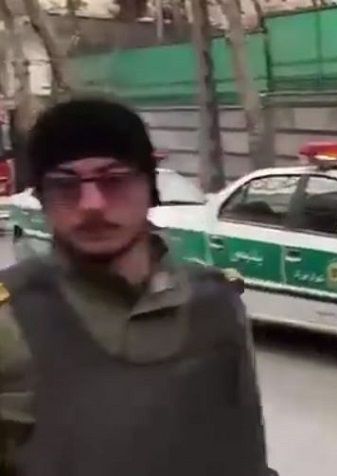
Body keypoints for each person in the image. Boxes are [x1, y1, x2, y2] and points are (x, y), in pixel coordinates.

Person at [0, 97, 275, 476]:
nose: (92, 204)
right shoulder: (10, 316)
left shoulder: (215, 301)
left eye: (114, 180)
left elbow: (245, 453)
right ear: (41, 199)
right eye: (65, 185)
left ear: (150, 186)